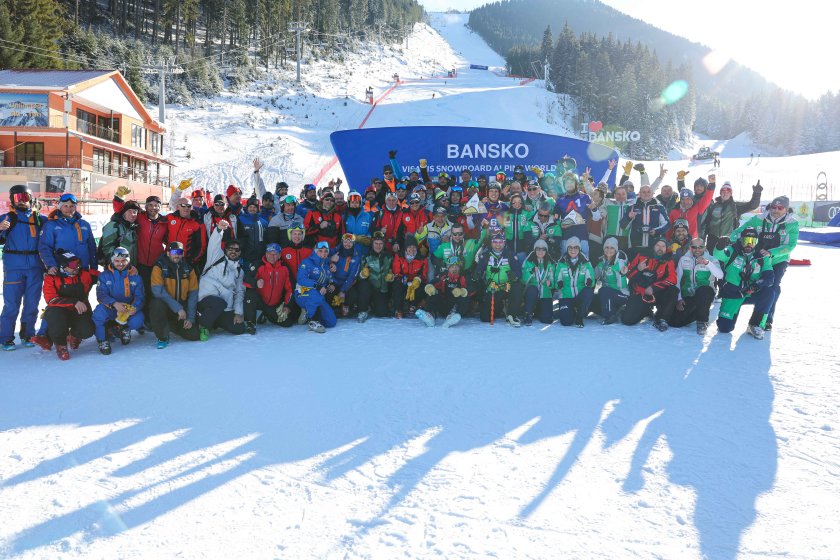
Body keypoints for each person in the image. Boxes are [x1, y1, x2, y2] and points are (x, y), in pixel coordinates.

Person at [730, 196, 798, 331]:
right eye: (774, 207)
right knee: (746, 283)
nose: (776, 210)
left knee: (773, 287)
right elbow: (737, 233)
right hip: (756, 259)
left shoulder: (792, 223)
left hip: (778, 260)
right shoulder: (758, 219)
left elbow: (790, 246)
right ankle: (730, 311)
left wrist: (771, 253)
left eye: (780, 208)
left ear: (786, 209)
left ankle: (764, 320)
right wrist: (737, 244)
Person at [1, 185, 47, 350]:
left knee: (32, 304)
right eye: (17, 198)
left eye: (25, 197)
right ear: (12, 200)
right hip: (14, 268)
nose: (21, 201)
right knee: (11, 305)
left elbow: (54, 236)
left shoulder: (40, 219)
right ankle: (6, 338)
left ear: (31, 199)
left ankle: (28, 334)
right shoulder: (6, 218)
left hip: (35, 267)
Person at [113, 189, 168, 325]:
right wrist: (119, 197)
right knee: (140, 292)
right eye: (150, 205)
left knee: (154, 291)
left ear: (160, 207)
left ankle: (151, 318)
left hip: (156, 264)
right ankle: (140, 318)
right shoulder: (140, 217)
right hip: (140, 262)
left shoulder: (164, 222)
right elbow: (121, 210)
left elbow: (169, 240)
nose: (153, 208)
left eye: (156, 205)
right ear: (146, 207)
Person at [29, 251, 95, 360]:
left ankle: (74, 335)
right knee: (54, 315)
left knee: (88, 330)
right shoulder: (52, 278)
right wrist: (74, 302)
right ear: (63, 266)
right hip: (59, 312)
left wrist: (125, 268)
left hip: (78, 311)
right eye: (73, 265)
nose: (76, 268)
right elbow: (51, 300)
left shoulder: (84, 274)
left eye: (78, 264)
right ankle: (61, 345)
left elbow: (105, 275)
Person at [715, 227, 775, 339]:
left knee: (769, 292)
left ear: (756, 242)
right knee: (724, 328)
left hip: (750, 292)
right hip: (733, 293)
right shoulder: (732, 250)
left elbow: (769, 277)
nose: (749, 244)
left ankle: (755, 324)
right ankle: (728, 316)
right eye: (746, 240)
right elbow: (719, 255)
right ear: (741, 240)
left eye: (752, 241)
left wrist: (756, 285)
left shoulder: (762, 256)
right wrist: (719, 247)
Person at [197, 220, 246, 339]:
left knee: (239, 328)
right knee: (219, 303)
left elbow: (239, 292)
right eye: (230, 249)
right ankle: (203, 324)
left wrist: (238, 312)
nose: (233, 251)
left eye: (236, 250)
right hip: (206, 300)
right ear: (225, 249)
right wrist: (219, 230)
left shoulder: (239, 271)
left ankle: (215, 321)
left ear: (240, 252)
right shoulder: (216, 257)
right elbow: (214, 243)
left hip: (224, 306)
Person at [92, 247, 145, 355]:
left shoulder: (135, 276)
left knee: (138, 319)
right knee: (98, 314)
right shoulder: (104, 275)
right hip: (111, 307)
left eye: (124, 261)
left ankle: (124, 329)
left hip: (127, 310)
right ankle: (102, 340)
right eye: (117, 261)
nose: (120, 264)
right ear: (112, 260)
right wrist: (114, 303)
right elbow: (101, 294)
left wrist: (134, 307)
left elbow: (140, 296)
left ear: (128, 261)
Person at [149, 241, 200, 348]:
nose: (176, 255)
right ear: (168, 253)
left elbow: (193, 295)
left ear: (183, 254)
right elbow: (158, 292)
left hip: (181, 311)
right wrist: (178, 308)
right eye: (174, 252)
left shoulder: (188, 269)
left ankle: (172, 325)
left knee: (194, 335)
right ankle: (162, 337)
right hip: (167, 307)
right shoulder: (159, 267)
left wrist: (190, 318)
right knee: (156, 304)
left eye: (179, 252)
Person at [622, 237, 678, 331]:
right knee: (627, 320)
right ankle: (646, 310)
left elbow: (673, 279)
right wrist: (637, 269)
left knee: (673, 290)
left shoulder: (668, 261)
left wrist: (653, 288)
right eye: (658, 245)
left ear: (666, 248)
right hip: (640, 293)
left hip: (657, 293)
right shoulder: (641, 256)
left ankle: (662, 318)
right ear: (653, 246)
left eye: (663, 246)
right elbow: (628, 275)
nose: (660, 248)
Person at [669, 238, 723, 334]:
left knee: (703, 291)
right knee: (674, 322)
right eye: (694, 247)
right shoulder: (684, 259)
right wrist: (679, 299)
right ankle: (698, 311)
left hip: (705, 294)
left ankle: (702, 321)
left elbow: (720, 275)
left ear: (704, 247)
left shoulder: (711, 259)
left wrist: (707, 263)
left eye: (700, 247)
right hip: (689, 295)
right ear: (690, 248)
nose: (697, 249)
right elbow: (677, 280)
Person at [39, 193, 98, 275]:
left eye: (72, 206)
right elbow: (45, 247)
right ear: (60, 207)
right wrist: (51, 265)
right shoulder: (51, 225)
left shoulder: (84, 224)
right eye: (65, 206)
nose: (68, 209)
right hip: (62, 271)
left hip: (83, 270)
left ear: (75, 207)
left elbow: (92, 248)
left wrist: (94, 267)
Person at [474, 233, 522, 326]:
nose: (498, 245)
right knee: (485, 318)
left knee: (517, 286)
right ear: (491, 243)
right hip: (493, 288)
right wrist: (477, 274)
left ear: (504, 243)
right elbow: (479, 270)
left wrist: (514, 275)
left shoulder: (510, 254)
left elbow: (518, 271)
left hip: (507, 287)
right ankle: (500, 308)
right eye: (495, 242)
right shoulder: (486, 255)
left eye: (500, 242)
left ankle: (512, 315)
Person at [243, 243, 293, 332]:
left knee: (287, 323)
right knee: (250, 293)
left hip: (274, 305)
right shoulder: (258, 265)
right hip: (260, 301)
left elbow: (290, 289)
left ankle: (266, 315)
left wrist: (287, 305)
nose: (272, 257)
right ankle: (250, 322)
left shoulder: (284, 268)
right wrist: (256, 282)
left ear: (279, 255)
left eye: (275, 254)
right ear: (266, 254)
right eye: (269, 254)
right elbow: (246, 279)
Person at [704, 180, 762, 252]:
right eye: (723, 191)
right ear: (720, 193)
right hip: (712, 239)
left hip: (728, 240)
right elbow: (707, 221)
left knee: (725, 258)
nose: (725, 194)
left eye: (728, 192)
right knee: (710, 258)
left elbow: (752, 205)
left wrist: (757, 194)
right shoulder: (714, 206)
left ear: (731, 193)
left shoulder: (735, 206)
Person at [294, 241, 337, 333]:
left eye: (326, 251)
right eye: (320, 251)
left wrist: (332, 284)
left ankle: (308, 311)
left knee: (331, 322)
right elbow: (301, 279)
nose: (323, 253)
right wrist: (317, 286)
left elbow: (329, 278)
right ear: (315, 251)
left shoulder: (326, 265)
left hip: (318, 297)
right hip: (302, 293)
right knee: (316, 294)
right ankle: (312, 320)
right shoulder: (307, 262)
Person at [415, 257, 469, 328]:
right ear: (448, 267)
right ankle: (430, 315)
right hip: (443, 303)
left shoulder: (463, 277)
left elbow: (470, 288)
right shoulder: (443, 275)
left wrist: (462, 291)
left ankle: (453, 315)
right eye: (452, 267)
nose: (454, 268)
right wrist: (430, 287)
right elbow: (434, 282)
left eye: (457, 267)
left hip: (455, 305)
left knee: (464, 297)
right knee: (433, 292)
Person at [553, 236, 595, 327]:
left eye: (576, 247)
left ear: (579, 249)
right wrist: (559, 283)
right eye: (570, 247)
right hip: (566, 296)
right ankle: (570, 310)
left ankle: (579, 317)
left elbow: (591, 278)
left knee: (588, 291)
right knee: (566, 322)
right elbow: (556, 280)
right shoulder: (561, 262)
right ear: (567, 248)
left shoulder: (586, 262)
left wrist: (589, 281)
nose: (573, 250)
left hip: (580, 296)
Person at [620, 184, 669, 259]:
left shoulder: (659, 207)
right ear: (639, 193)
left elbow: (667, 224)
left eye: (648, 192)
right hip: (635, 247)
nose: (646, 194)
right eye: (644, 192)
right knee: (634, 266)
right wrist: (629, 218)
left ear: (652, 193)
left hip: (653, 247)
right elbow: (623, 226)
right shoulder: (631, 206)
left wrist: (655, 231)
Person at [356, 232, 394, 322]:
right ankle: (362, 310)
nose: (378, 246)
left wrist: (392, 277)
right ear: (372, 244)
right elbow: (357, 278)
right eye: (376, 243)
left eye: (380, 244)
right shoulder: (366, 257)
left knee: (382, 313)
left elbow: (394, 272)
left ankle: (373, 305)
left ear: (383, 244)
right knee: (364, 285)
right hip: (369, 287)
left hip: (381, 289)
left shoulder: (389, 257)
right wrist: (362, 275)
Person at [553, 172, 593, 257]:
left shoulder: (585, 197)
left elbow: (595, 216)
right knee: (564, 261)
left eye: (571, 182)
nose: (569, 184)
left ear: (576, 183)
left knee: (585, 261)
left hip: (582, 237)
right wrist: (560, 224)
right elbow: (555, 218)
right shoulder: (560, 200)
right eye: (567, 182)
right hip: (565, 237)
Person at [278, 226, 312, 326]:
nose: (297, 236)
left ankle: (306, 309)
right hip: (289, 285)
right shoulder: (283, 251)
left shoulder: (309, 251)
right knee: (291, 318)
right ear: (290, 235)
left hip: (304, 285)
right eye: (294, 234)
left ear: (303, 235)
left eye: (299, 234)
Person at [594, 237, 629, 325]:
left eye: (612, 248)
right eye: (607, 247)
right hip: (607, 295)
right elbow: (594, 276)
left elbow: (622, 286)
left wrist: (622, 275)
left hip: (622, 294)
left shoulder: (619, 263)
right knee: (593, 297)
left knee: (604, 290)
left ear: (616, 250)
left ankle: (610, 315)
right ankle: (616, 309)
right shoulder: (601, 263)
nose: (609, 250)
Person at [391, 235, 429, 318]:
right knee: (397, 285)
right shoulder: (399, 256)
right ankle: (398, 309)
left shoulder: (422, 259)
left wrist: (417, 279)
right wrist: (404, 279)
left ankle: (414, 305)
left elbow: (423, 275)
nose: (412, 249)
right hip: (403, 280)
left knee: (421, 286)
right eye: (409, 247)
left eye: (414, 247)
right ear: (405, 248)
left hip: (415, 281)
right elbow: (396, 272)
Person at [166, 195, 207, 272]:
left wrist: (192, 261)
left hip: (186, 262)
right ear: (178, 207)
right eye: (183, 205)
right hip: (169, 259)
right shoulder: (169, 218)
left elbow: (202, 246)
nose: (186, 208)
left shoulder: (198, 224)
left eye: (188, 206)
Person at [668, 175, 716, 240]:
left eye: (688, 199)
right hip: (677, 241)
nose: (685, 201)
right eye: (683, 199)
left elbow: (707, 198)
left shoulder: (697, 208)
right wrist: (680, 180)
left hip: (695, 238)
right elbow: (683, 191)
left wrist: (712, 185)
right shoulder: (674, 211)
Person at [521, 239, 555, 325]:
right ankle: (528, 314)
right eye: (538, 249)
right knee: (532, 289)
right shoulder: (528, 261)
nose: (540, 251)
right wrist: (531, 271)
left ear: (546, 251)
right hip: (532, 292)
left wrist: (550, 284)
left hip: (545, 293)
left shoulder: (551, 263)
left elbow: (554, 280)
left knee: (547, 320)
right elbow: (523, 280)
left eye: (543, 249)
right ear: (534, 250)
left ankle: (538, 311)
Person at [98, 199, 140, 266]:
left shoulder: (132, 227)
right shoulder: (113, 225)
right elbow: (108, 249)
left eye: (135, 212)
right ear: (123, 212)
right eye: (129, 211)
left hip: (130, 267)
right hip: (117, 267)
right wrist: (117, 266)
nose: (132, 214)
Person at [328, 233, 362, 317]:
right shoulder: (336, 251)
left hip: (346, 283)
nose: (347, 244)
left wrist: (343, 291)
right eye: (345, 242)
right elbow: (320, 258)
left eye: (350, 242)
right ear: (342, 242)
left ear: (353, 244)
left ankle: (345, 305)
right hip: (334, 281)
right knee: (329, 292)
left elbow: (352, 276)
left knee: (353, 295)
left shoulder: (356, 257)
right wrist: (330, 260)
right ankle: (330, 308)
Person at [502, 192, 533, 263]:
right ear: (511, 203)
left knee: (522, 263)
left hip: (522, 245)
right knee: (510, 264)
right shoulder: (506, 214)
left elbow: (534, 216)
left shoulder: (526, 213)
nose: (517, 204)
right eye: (514, 202)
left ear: (522, 203)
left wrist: (530, 208)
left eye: (519, 202)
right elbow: (501, 227)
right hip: (509, 244)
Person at [238, 195, 268, 263]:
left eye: (254, 207)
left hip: (260, 256)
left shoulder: (264, 222)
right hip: (246, 255)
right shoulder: (241, 219)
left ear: (258, 208)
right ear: (247, 208)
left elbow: (266, 239)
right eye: (250, 207)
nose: (252, 209)